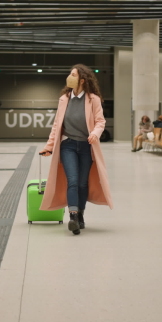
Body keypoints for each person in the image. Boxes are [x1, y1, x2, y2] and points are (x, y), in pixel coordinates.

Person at [39, 64, 114, 235]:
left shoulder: (93, 99)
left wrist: (95, 133)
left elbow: (100, 121)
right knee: (72, 180)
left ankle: (80, 213)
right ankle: (73, 216)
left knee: (82, 183)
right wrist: (49, 146)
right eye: (69, 74)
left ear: (82, 79)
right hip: (68, 145)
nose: (69, 77)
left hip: (87, 146)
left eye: (73, 74)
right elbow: (57, 125)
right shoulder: (64, 99)